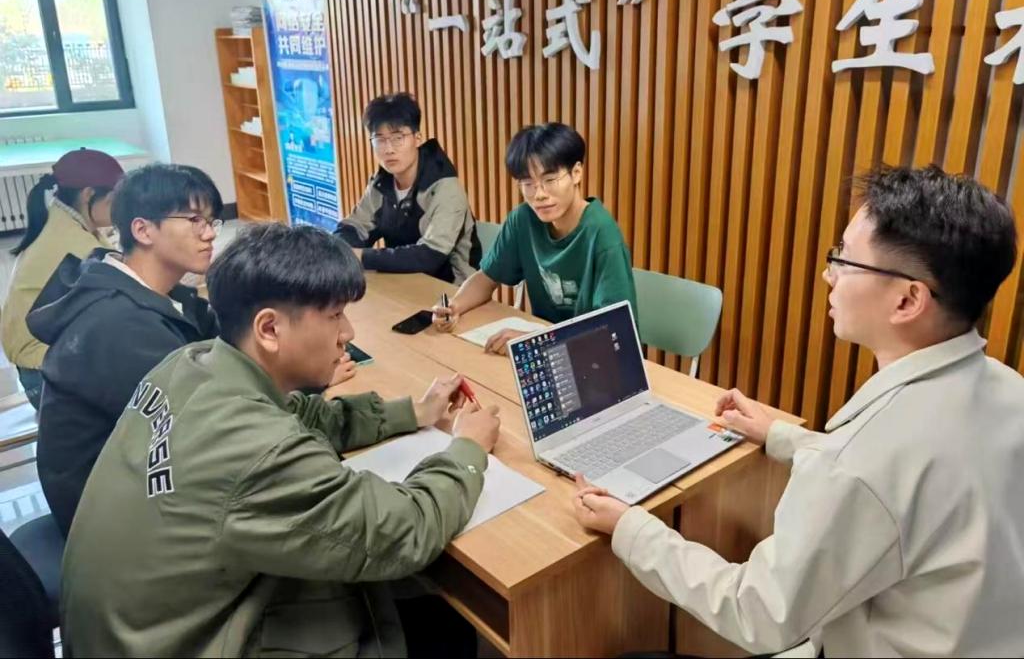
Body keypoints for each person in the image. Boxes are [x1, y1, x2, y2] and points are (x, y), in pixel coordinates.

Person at [572, 165, 1024, 657]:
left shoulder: (860, 464)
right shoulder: (1007, 390)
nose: (829, 274)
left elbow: (756, 613)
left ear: (907, 300)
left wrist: (630, 528)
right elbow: (898, 485)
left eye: (845, 259)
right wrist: (781, 435)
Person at [61, 223, 502, 658]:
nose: (347, 333)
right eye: (334, 315)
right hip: (185, 642)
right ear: (269, 329)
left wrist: (413, 413)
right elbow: (403, 530)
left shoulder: (192, 362)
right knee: (444, 627)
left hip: (134, 629)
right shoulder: (258, 453)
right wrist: (467, 451)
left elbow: (298, 414)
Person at [27, 163, 222, 537]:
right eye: (194, 220)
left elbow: (223, 351)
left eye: (212, 221)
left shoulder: (158, 294)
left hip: (139, 481)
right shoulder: (120, 323)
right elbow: (208, 422)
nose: (210, 233)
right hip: (112, 521)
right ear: (143, 230)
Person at [434, 123, 637, 355]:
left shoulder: (602, 235)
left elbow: (615, 331)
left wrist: (536, 341)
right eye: (528, 184)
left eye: (550, 180)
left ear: (576, 173)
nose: (539, 194)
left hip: (593, 355)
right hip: (547, 350)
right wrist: (454, 306)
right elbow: (486, 278)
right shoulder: (523, 220)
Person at [0, 148, 124, 410]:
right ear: (89, 194)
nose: (120, 208)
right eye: (115, 199)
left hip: (40, 361)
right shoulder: (72, 241)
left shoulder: (64, 220)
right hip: (42, 373)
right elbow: (127, 282)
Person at [336, 92, 481, 284]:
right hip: (400, 282)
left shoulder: (445, 188)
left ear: (417, 138)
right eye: (380, 139)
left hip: (451, 289)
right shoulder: (382, 182)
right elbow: (354, 226)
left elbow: (430, 255)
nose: (389, 149)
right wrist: (337, 249)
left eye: (398, 138)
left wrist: (361, 256)